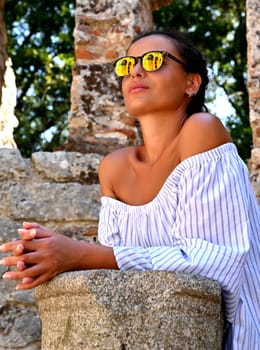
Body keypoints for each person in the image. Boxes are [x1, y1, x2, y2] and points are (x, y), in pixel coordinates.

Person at [0, 28, 259, 349]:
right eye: (127, 65)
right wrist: (47, 253)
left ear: (192, 83)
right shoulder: (114, 167)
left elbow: (214, 261)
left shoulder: (202, 130)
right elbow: (117, 274)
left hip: (236, 335)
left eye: (153, 61)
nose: (136, 70)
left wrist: (79, 253)